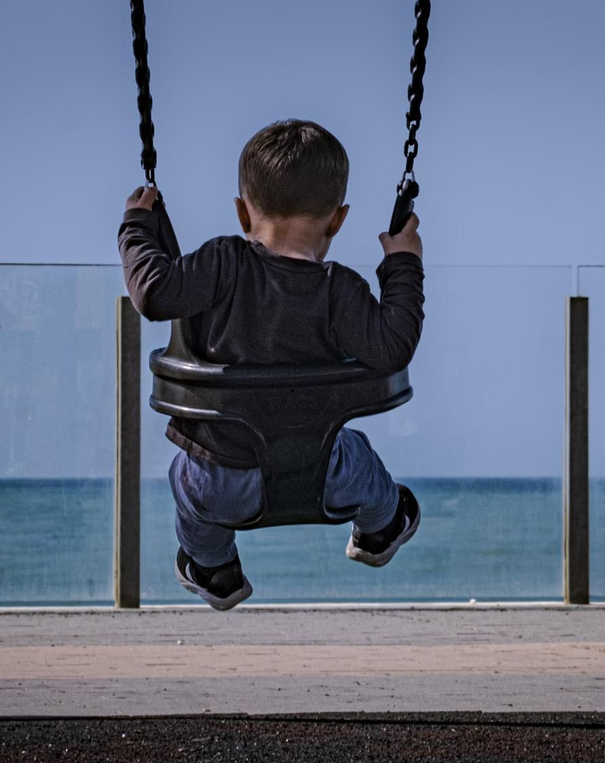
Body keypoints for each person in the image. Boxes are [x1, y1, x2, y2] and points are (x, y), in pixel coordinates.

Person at [118, 119, 425, 610]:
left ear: (242, 212)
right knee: (358, 452)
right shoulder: (341, 289)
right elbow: (393, 349)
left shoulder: (220, 263)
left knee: (184, 476)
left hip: (222, 482)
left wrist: (137, 226)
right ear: (338, 220)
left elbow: (152, 292)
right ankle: (380, 528)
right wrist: (404, 262)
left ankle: (215, 571)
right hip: (324, 473)